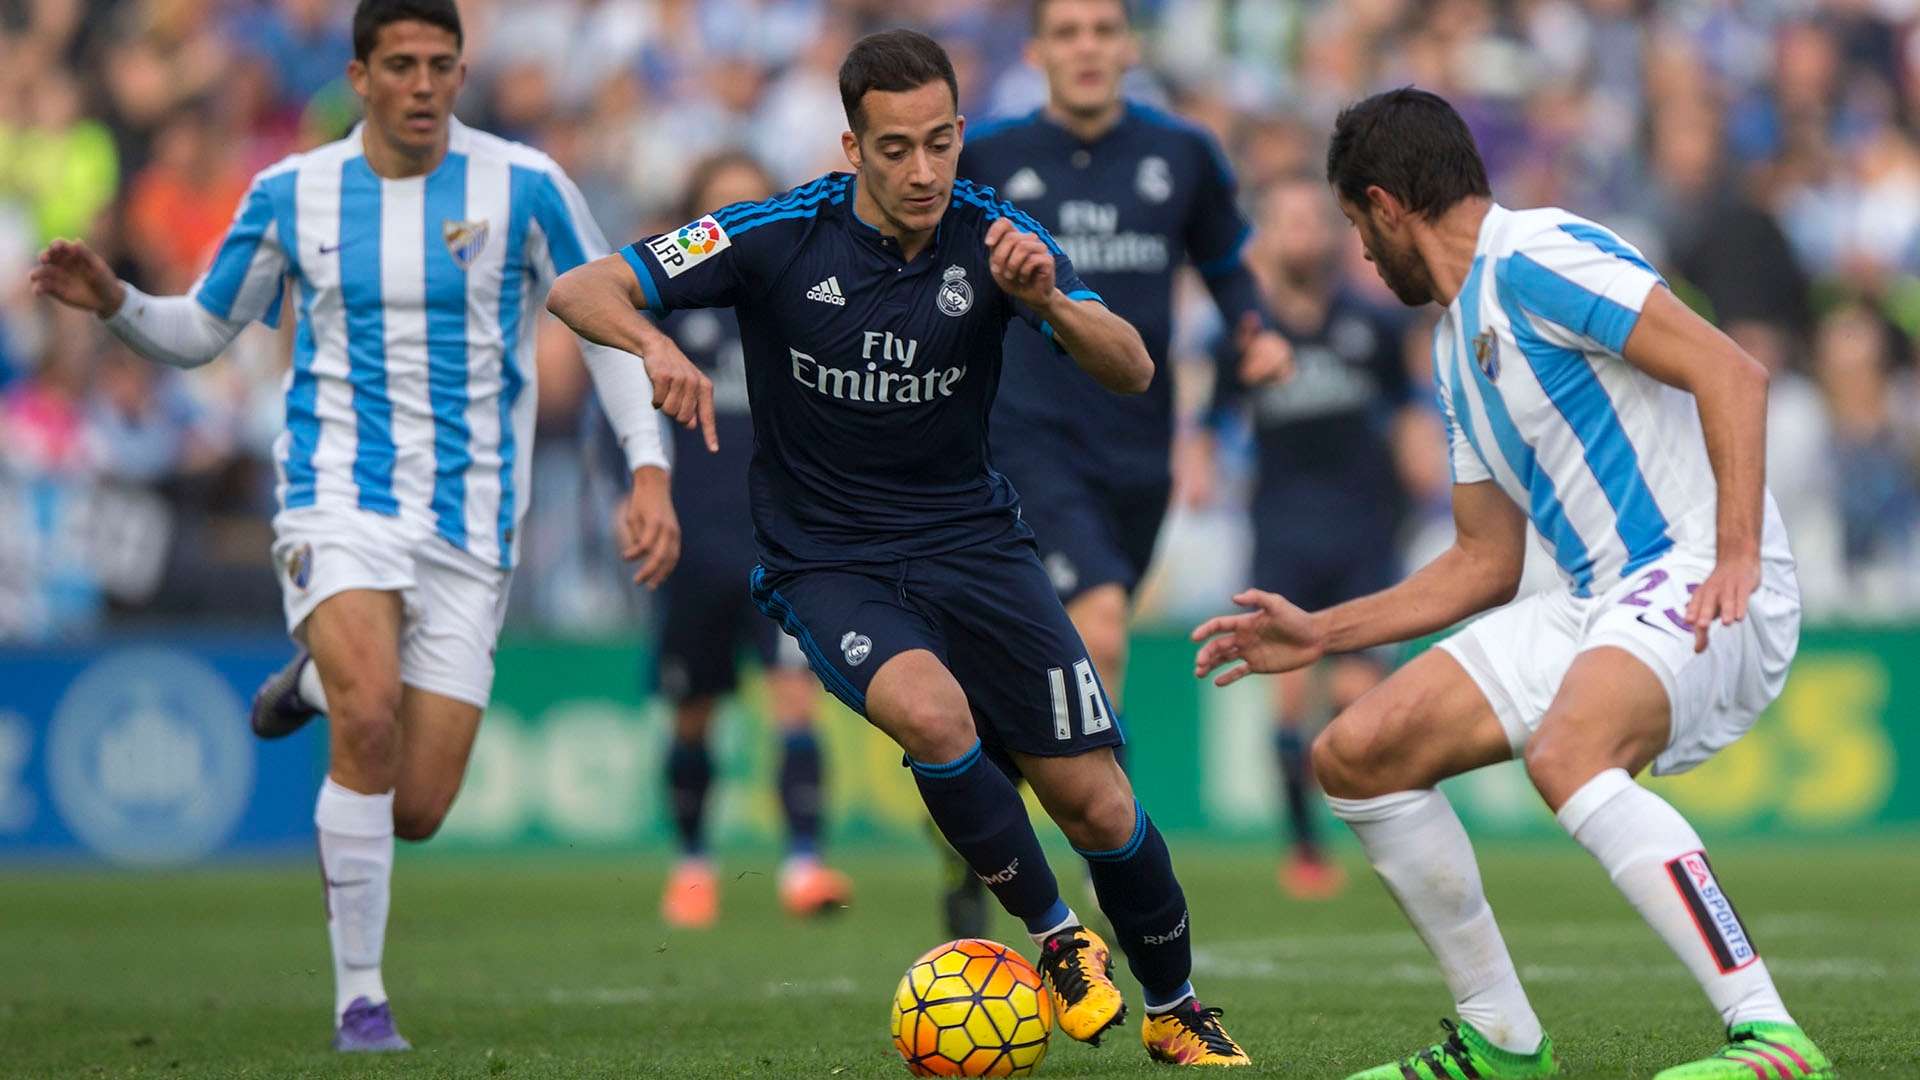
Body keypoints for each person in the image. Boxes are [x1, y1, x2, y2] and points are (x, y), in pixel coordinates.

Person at [548, 28, 1251, 1068]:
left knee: (1097, 800)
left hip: (977, 545)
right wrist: (654, 343)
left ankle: (1175, 1008)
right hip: (830, 562)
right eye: (894, 149)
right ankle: (1059, 941)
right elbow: (581, 287)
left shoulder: (1000, 234)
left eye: (938, 144)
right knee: (933, 711)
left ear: (961, 134)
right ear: (851, 147)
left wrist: (1048, 296)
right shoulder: (773, 233)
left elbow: (1136, 366)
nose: (922, 172)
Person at [29, 0, 709, 1053]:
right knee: (371, 715)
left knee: (421, 802)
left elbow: (612, 328)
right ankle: (360, 999)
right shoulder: (290, 193)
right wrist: (117, 297)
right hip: (335, 495)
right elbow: (202, 329)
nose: (425, 85)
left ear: (461, 69)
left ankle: (309, 683)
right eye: (402, 65)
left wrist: (650, 471)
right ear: (359, 75)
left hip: (474, 523)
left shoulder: (523, 184)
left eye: (442, 64)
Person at [1194, 88, 1831, 1080]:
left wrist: (1739, 550)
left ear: (1385, 206)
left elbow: (1733, 372)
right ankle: (1501, 1039)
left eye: (1361, 227)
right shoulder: (1454, 345)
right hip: (1597, 598)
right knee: (1357, 752)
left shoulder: (1537, 256)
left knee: (1571, 751)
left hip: (1699, 568)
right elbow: (1483, 563)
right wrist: (1321, 634)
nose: (1362, 253)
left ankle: (1771, 1036)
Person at [947, 0, 1291, 938]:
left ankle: (972, 817)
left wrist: (1256, 333)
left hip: (1138, 446)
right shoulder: (987, 159)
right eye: (1069, 32)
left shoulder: (1183, 154)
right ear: (1038, 52)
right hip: (1023, 432)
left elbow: (1228, 266)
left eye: (1104, 29)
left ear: (1129, 47)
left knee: (1034, 670)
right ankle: (1118, 859)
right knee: (1097, 631)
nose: (1089, 47)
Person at [1191, 173, 1418, 901]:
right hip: (1283, 534)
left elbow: (1409, 407)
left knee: (1358, 703)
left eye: (1314, 222)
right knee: (1288, 700)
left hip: (1366, 532)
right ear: (1266, 238)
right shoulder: (1244, 333)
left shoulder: (1374, 324)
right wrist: (1196, 469)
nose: (1304, 236)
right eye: (1287, 222)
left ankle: (1378, 837)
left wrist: (1426, 461)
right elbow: (1207, 421)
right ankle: (1304, 849)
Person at [641, 151, 851, 928]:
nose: (730, 226)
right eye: (715, 211)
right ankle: (692, 864)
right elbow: (623, 425)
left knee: (795, 700)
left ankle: (804, 863)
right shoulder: (665, 318)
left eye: (746, 208)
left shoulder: (797, 304)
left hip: (781, 541)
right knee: (692, 710)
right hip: (692, 543)